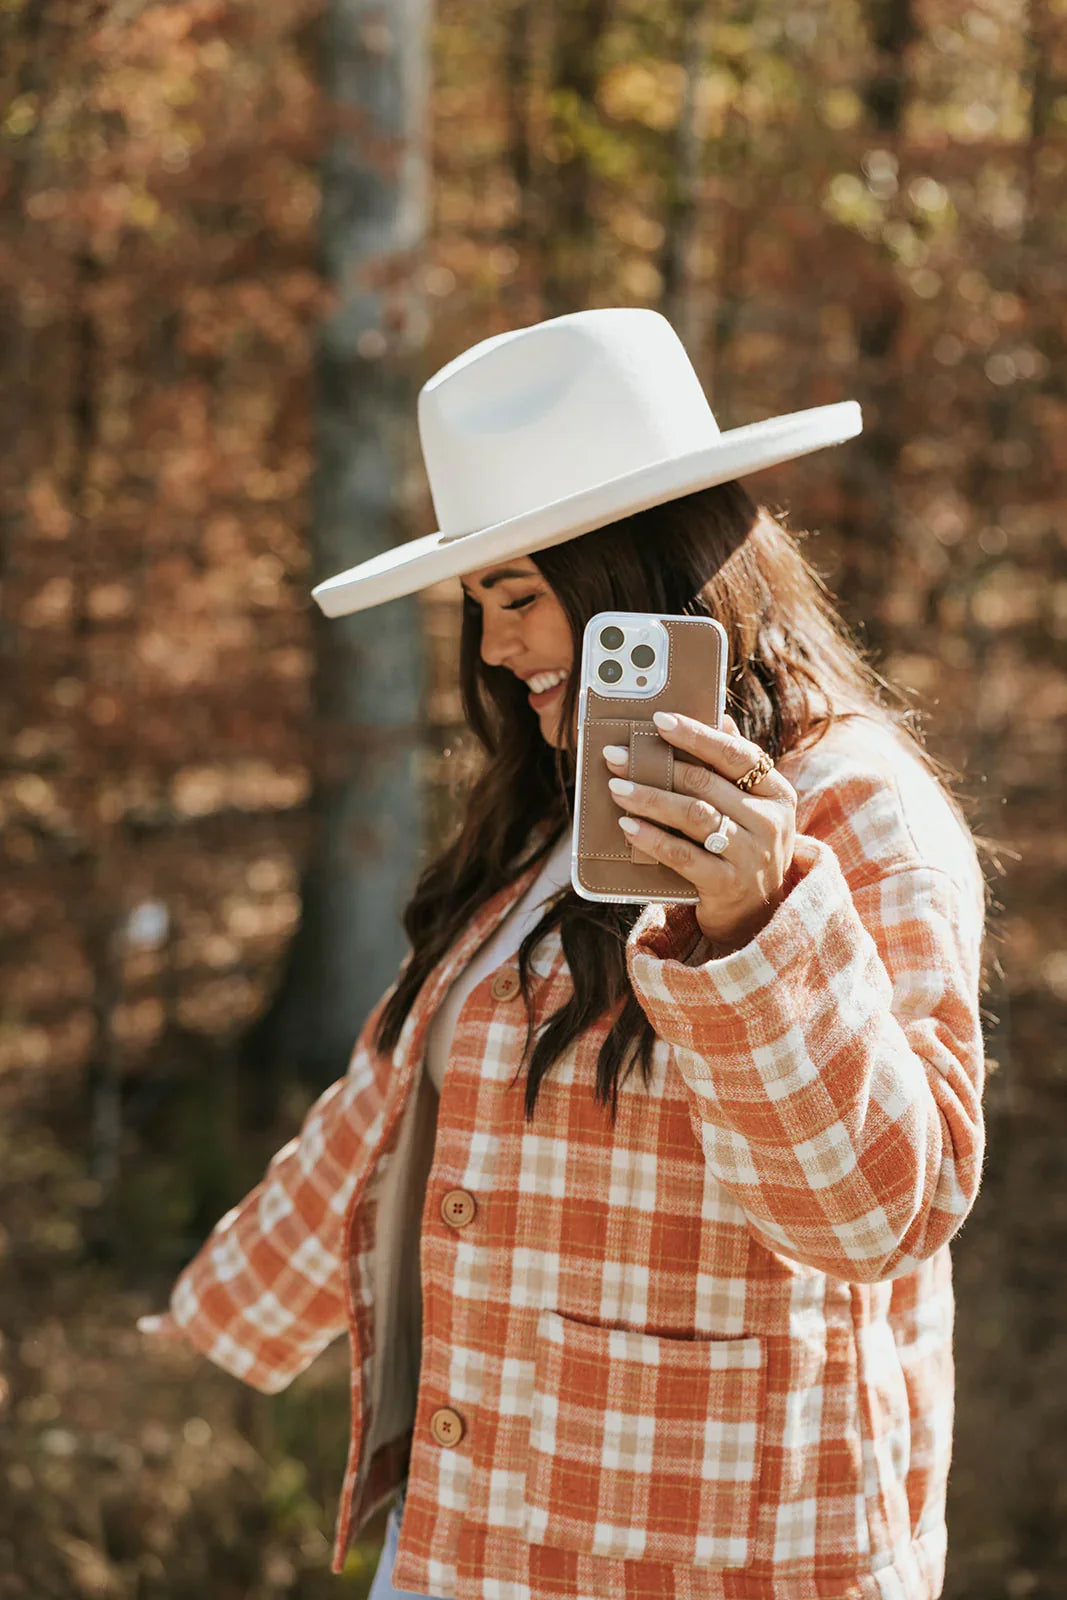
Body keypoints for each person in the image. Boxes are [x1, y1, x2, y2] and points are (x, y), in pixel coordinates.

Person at [140, 309, 986, 1600]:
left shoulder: (859, 812)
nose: (490, 647)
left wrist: (757, 922)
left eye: (519, 596)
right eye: (478, 603)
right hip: (463, 1545)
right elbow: (392, 1112)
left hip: (726, 1560)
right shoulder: (548, 818)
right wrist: (199, 1338)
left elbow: (883, 1213)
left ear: (633, 575)